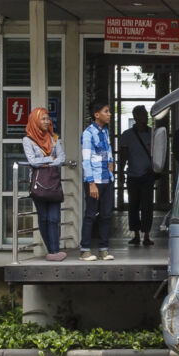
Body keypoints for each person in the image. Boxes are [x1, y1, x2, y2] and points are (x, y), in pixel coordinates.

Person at [20, 107, 67, 261]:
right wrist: (49, 160)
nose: (47, 122)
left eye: (48, 119)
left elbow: (61, 158)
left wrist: (46, 162)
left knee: (54, 218)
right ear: (35, 120)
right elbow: (32, 161)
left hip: (53, 184)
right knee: (44, 217)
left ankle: (54, 251)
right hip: (38, 184)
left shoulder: (54, 138)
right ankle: (52, 251)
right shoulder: (28, 140)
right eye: (43, 119)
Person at [119, 106, 161, 247]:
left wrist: (155, 167)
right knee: (133, 206)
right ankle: (136, 235)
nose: (145, 117)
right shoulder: (127, 135)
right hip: (132, 175)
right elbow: (123, 156)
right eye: (142, 114)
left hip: (147, 175)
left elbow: (158, 152)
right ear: (136, 116)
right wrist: (120, 172)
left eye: (145, 114)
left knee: (147, 206)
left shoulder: (153, 134)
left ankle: (147, 235)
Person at [79, 101, 115, 261]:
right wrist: (91, 183)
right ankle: (85, 250)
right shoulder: (88, 134)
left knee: (106, 215)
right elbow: (86, 160)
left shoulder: (105, 131)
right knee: (91, 215)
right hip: (94, 181)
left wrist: (112, 162)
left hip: (107, 179)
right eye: (106, 111)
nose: (109, 114)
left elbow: (108, 151)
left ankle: (103, 249)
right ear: (97, 114)